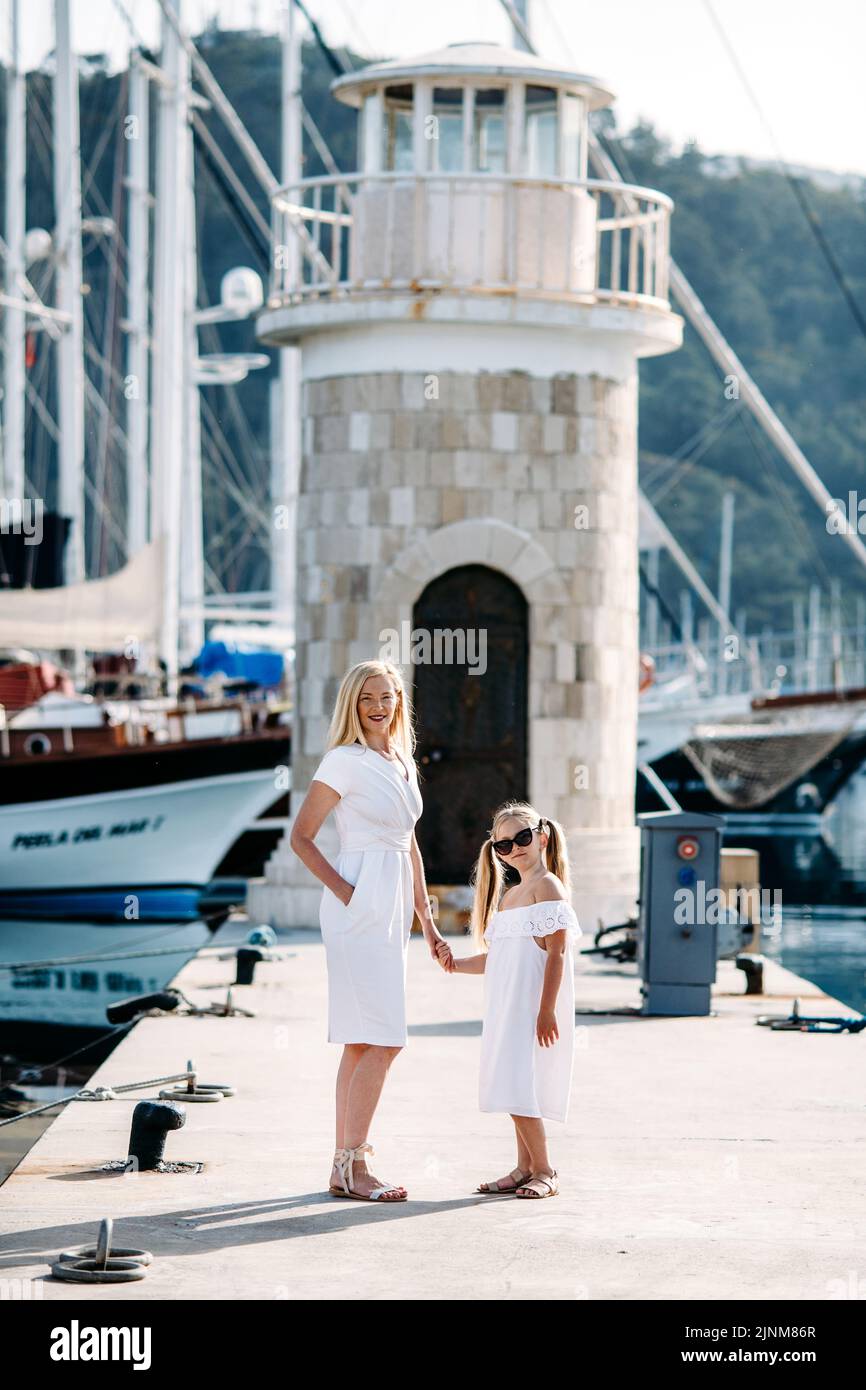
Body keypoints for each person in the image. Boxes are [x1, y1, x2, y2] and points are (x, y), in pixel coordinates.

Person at [290, 658, 453, 1202]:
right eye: (367, 698)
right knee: (386, 1039)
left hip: (392, 908)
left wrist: (425, 921)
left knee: (363, 1041)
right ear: (352, 705)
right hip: (358, 902)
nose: (379, 707)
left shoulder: (400, 759)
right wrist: (349, 893)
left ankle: (341, 1166)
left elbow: (409, 843)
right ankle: (356, 1166)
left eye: (387, 696)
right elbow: (302, 838)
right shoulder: (344, 761)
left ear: (399, 702)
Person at [447, 800, 581, 1198]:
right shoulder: (509, 897)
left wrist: (546, 1009)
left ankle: (544, 1170)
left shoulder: (547, 887)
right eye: (503, 845)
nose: (514, 848)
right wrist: (455, 964)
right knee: (511, 1082)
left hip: (531, 1007)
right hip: (505, 1007)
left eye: (522, 838)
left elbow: (556, 952)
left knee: (521, 1086)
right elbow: (497, 959)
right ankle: (523, 1167)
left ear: (541, 837)